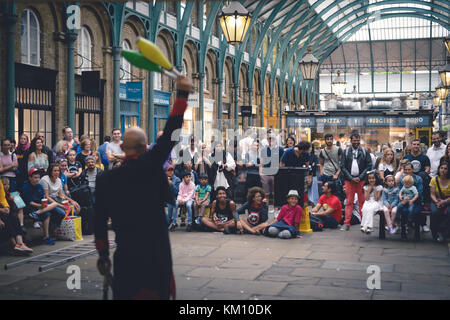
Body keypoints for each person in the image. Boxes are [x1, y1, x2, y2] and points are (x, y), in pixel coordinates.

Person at [95, 75, 192, 300]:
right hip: (155, 252)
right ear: (144, 145)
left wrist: (103, 256)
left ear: (122, 146)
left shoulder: (106, 179)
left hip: (126, 253)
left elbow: (99, 221)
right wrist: (182, 94)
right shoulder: (150, 165)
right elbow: (171, 132)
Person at [340, 132, 372, 231]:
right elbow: (343, 166)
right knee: (349, 202)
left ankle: (364, 223)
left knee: (363, 202)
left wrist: (361, 176)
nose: (356, 142)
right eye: (354, 140)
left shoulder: (364, 151)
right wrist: (350, 178)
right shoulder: (345, 152)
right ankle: (346, 223)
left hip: (361, 180)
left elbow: (369, 165)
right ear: (351, 141)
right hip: (349, 181)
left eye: (358, 140)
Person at [22, 169, 58, 244]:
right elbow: (30, 203)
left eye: (38, 177)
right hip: (29, 208)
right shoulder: (26, 187)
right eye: (35, 177)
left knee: (54, 205)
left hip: (39, 208)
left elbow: (42, 199)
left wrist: (43, 205)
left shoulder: (39, 186)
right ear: (30, 178)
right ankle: (46, 236)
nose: (37, 179)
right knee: (48, 212)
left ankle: (46, 237)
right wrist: (41, 206)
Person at [0, 179, 33, 253]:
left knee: (14, 218)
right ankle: (15, 246)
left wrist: (6, 207)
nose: (7, 186)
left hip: (2, 208)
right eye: (5, 184)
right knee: (6, 221)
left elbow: (2, 199)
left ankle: (20, 244)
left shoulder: (9, 193)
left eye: (8, 184)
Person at [260, 133, 284, 203]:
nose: (271, 141)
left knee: (275, 191)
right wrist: (260, 172)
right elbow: (262, 161)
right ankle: (266, 206)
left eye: (272, 139)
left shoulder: (280, 149)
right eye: (269, 139)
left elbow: (282, 161)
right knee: (265, 191)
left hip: (276, 172)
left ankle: (275, 206)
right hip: (265, 172)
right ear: (267, 140)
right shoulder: (264, 149)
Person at [429, 162, 450, 243]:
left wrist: (444, 201)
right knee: (434, 212)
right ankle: (435, 232)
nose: (443, 170)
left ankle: (445, 232)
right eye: (441, 168)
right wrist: (437, 202)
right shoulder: (434, 179)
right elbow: (432, 194)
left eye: (445, 168)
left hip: (448, 200)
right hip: (437, 200)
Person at [398, 174, 419, 239]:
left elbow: (416, 195)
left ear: (411, 183)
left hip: (410, 200)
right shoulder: (404, 187)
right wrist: (401, 197)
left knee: (410, 209)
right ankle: (397, 217)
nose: (405, 185)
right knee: (399, 206)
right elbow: (400, 192)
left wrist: (412, 200)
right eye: (405, 183)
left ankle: (409, 220)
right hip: (404, 200)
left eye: (407, 183)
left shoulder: (413, 188)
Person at [166, 165, 181, 231]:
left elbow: (177, 192)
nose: (170, 172)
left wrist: (171, 184)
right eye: (169, 170)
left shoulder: (177, 179)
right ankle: (168, 220)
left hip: (174, 197)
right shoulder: (163, 178)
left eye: (172, 170)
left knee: (172, 203)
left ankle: (171, 221)